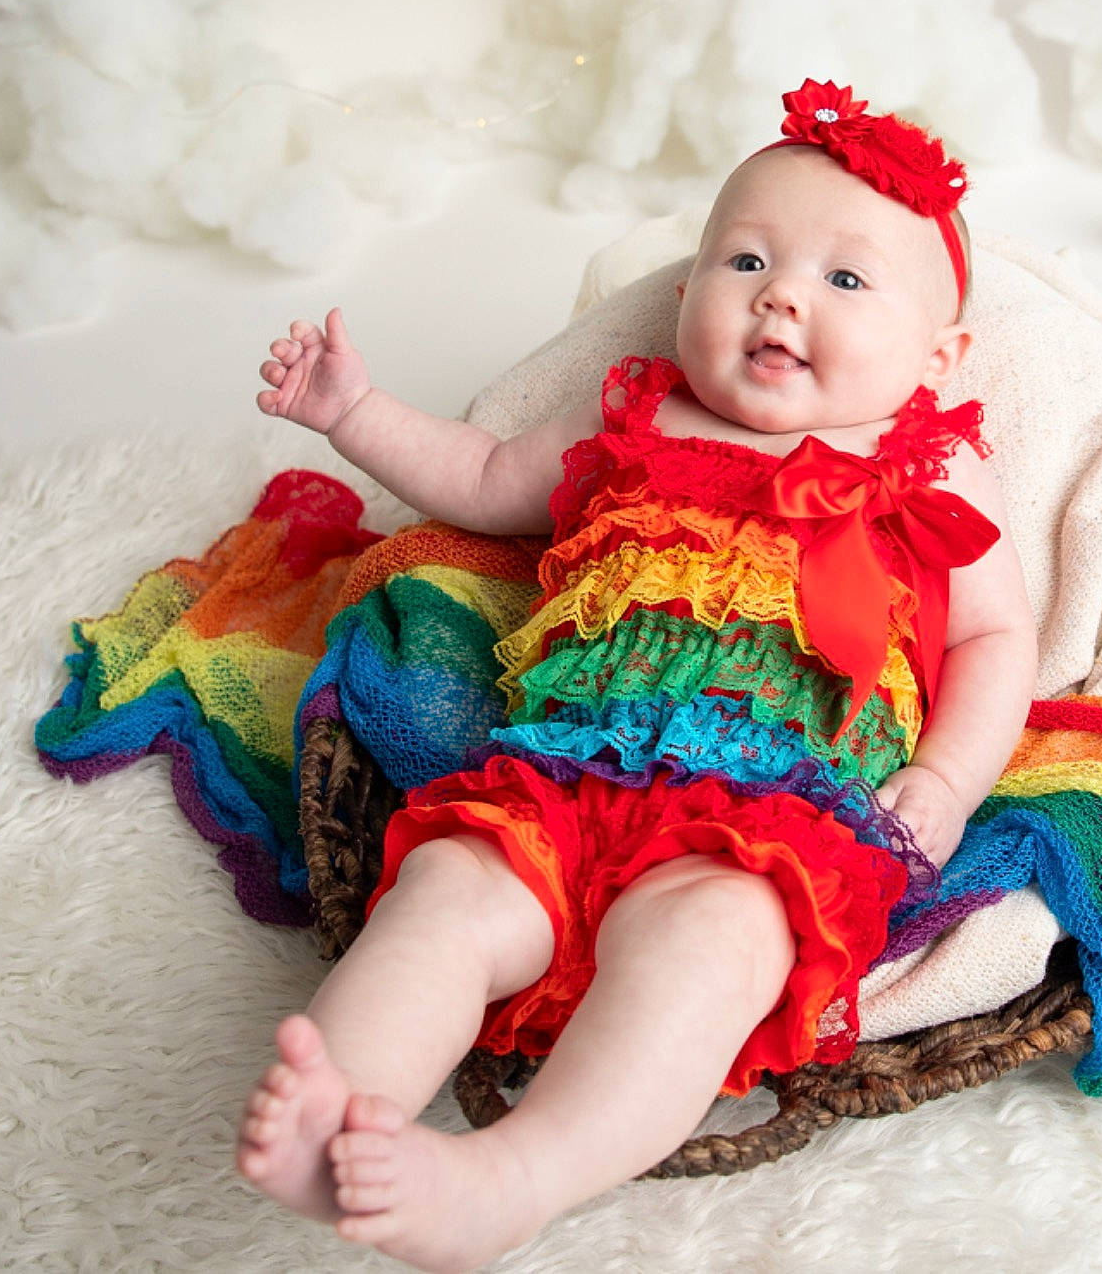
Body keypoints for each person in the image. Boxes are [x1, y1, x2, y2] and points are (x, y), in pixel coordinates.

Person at [234, 80, 1037, 1272]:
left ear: (938, 355)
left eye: (843, 279)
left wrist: (946, 780)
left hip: (767, 818)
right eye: (744, 260)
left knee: (708, 944)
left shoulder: (922, 474)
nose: (780, 295)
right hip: (563, 774)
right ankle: (341, 1106)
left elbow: (995, 641)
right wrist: (352, 413)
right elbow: (481, 476)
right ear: (681, 297)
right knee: (447, 892)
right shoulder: (635, 423)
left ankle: (512, 1178)